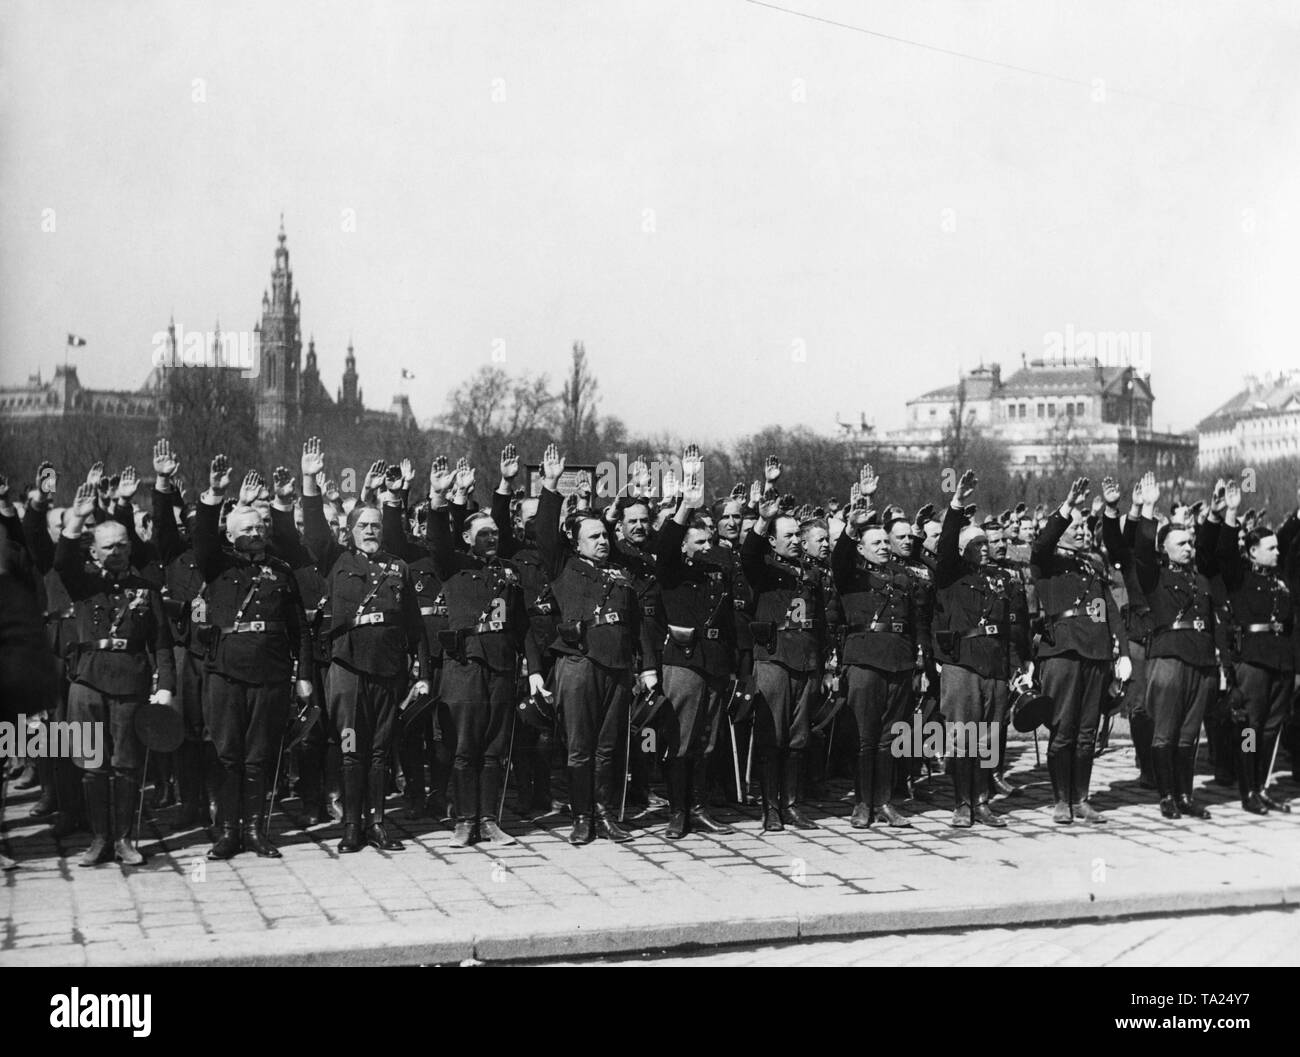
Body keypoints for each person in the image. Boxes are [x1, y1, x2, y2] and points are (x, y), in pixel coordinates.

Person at [299, 438, 430, 853]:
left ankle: (377, 824)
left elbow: (413, 626)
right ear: (350, 531)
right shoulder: (335, 559)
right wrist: (309, 480)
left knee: (379, 753)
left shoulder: (399, 567)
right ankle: (351, 827)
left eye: (376, 526)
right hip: (349, 670)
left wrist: (422, 673)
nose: (371, 532)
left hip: (387, 671)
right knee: (352, 750)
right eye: (363, 526)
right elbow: (316, 528)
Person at [534, 444, 658, 845]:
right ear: (576, 542)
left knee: (609, 747)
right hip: (579, 664)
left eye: (605, 535)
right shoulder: (563, 567)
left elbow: (638, 624)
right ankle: (581, 816)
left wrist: (648, 666)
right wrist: (550, 485)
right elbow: (544, 534)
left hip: (617, 668)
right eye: (593, 537)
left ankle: (605, 813)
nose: (602, 541)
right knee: (579, 748)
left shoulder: (621, 574)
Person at [194, 457, 314, 858]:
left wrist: (305, 674)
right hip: (225, 672)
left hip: (271, 673)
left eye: (260, 528)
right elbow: (203, 541)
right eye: (246, 529)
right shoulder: (217, 566)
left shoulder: (281, 571)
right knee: (229, 755)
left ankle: (255, 830)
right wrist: (215, 494)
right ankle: (228, 832)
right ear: (231, 537)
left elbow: (299, 628)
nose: (256, 533)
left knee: (260, 756)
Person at [56, 481, 175, 866]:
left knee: (126, 764)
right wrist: (75, 519)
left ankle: (124, 839)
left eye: (123, 544)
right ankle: (99, 840)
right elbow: (61, 561)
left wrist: (166, 687)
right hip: (88, 683)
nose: (118, 552)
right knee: (92, 766)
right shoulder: (83, 583)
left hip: (130, 682)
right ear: (93, 551)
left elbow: (161, 642)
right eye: (109, 546)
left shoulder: (146, 588)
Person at [426, 453, 529, 847]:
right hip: (464, 666)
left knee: (494, 748)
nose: (492, 537)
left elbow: (520, 626)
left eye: (495, 533)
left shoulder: (508, 572)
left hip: (501, 668)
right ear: (467, 538)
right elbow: (437, 537)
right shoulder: (453, 566)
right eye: (483, 534)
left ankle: (489, 820)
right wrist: (438, 496)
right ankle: (464, 820)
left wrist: (532, 670)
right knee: (464, 747)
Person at [741, 455, 833, 832]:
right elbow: (748, 551)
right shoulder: (763, 570)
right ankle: (770, 808)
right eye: (789, 536)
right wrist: (763, 516)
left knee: (797, 737)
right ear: (774, 542)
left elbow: (822, 622)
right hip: (774, 660)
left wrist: (826, 663)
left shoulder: (810, 574)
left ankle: (792, 804)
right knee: (771, 736)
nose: (796, 541)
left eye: (799, 535)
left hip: (806, 661)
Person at [832, 465, 926, 829]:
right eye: (877, 543)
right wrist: (854, 523)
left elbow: (915, 621)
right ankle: (861, 803)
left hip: (899, 662)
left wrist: (917, 658)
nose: (885, 547)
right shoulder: (851, 574)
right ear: (861, 548)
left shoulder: (903, 577)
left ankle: (884, 801)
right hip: (865, 661)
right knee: (863, 737)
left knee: (889, 739)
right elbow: (839, 558)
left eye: (887, 542)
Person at [1031, 477, 1128, 824]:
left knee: (1088, 732)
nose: (1085, 532)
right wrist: (1066, 507)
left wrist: (1124, 653)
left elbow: (1109, 610)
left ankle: (1081, 798)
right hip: (1063, 653)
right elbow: (1042, 544)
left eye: (1087, 528)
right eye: (1077, 527)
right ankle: (1060, 800)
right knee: (1063, 729)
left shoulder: (1092, 566)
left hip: (1097, 654)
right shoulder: (1047, 563)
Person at [653, 445, 736, 838]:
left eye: (709, 542)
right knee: (681, 741)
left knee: (707, 740)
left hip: (715, 662)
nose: (706, 548)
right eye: (698, 543)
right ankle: (677, 811)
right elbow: (664, 546)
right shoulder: (672, 569)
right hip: (683, 662)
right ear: (685, 546)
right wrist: (686, 505)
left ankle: (699, 807)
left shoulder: (717, 571)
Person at [932, 471, 1020, 828]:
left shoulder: (1000, 578)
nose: (985, 549)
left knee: (989, 737)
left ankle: (983, 800)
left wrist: (1015, 664)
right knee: (963, 737)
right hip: (962, 663)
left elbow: (1011, 628)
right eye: (977, 545)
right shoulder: (949, 575)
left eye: (986, 544)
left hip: (994, 665)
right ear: (963, 550)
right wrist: (955, 504)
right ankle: (962, 803)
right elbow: (946, 543)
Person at [1133, 471, 1217, 820]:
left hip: (1201, 659)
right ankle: (1166, 796)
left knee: (1189, 734)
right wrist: (1149, 509)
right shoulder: (1155, 576)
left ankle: (1185, 795)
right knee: (1165, 732)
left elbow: (1213, 623)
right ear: (1164, 547)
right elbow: (1139, 550)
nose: (1188, 547)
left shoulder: (1199, 579)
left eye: (1190, 542)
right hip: (1169, 658)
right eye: (1181, 543)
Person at [1217, 480, 1296, 813]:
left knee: (1271, 728)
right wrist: (1231, 514)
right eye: (1271, 548)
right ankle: (1247, 789)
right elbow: (1223, 552)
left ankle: (1262, 787)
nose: (1278, 553)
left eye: (1278, 547)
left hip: (1281, 661)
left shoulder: (1280, 582)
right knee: (1250, 727)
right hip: (1252, 659)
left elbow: (1290, 626)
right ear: (1252, 552)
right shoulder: (1239, 577)